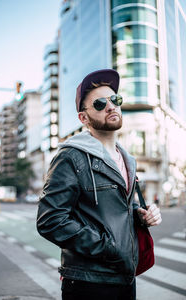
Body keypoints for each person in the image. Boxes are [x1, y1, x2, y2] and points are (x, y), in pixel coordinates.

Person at [37, 69, 162, 300]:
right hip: (89, 282)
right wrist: (108, 247)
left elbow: (115, 208)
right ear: (83, 118)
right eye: (100, 103)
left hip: (126, 277)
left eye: (115, 99)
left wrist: (140, 215)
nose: (111, 106)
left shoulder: (127, 159)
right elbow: (50, 220)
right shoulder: (71, 157)